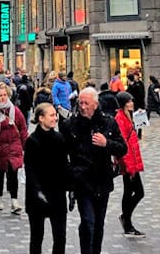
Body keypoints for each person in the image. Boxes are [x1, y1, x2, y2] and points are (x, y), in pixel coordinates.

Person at [59, 87, 127, 254]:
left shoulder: (108, 122)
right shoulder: (70, 125)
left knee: (98, 224)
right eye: (80, 103)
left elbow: (122, 148)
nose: (82, 106)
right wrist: (71, 176)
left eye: (86, 103)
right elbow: (62, 154)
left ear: (95, 105)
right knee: (88, 221)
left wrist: (107, 143)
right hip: (82, 182)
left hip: (102, 180)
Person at [25, 103, 72, 254]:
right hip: (37, 196)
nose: (55, 118)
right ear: (41, 118)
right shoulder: (32, 141)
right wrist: (37, 191)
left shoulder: (59, 138)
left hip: (57, 194)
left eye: (55, 115)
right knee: (37, 237)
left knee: (60, 237)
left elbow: (65, 166)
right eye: (51, 115)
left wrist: (71, 189)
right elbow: (30, 170)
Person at [0, 83, 28, 213]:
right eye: (0, 96)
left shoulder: (15, 111)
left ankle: (14, 201)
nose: (2, 98)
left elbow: (23, 130)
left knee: (13, 174)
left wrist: (27, 147)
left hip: (14, 147)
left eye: (4, 95)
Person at [112, 92, 145, 238]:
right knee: (137, 192)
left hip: (131, 161)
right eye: (130, 101)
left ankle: (127, 221)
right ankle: (126, 220)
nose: (132, 103)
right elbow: (123, 144)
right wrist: (130, 166)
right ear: (124, 103)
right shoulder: (120, 118)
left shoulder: (127, 116)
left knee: (131, 191)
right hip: (128, 162)